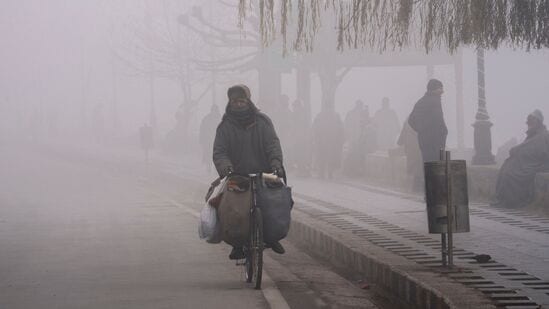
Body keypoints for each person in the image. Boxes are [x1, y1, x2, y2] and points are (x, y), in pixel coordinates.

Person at [213, 84, 286, 259]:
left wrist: (276, 163)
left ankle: (272, 237)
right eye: (234, 101)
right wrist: (226, 168)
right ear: (229, 103)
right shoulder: (225, 126)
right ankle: (237, 245)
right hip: (237, 176)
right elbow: (220, 152)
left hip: (264, 174)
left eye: (241, 100)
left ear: (248, 101)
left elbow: (273, 145)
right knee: (231, 209)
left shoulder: (263, 122)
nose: (238, 104)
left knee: (277, 204)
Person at [492, 110, 549, 208]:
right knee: (506, 169)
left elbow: (540, 151)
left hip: (533, 163)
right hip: (524, 161)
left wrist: (520, 151)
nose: (529, 124)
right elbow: (525, 146)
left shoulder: (544, 135)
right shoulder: (532, 135)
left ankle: (512, 201)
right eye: (529, 122)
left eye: (532, 121)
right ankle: (504, 199)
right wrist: (517, 150)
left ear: (538, 122)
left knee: (512, 174)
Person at [408, 79, 448, 162]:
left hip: (424, 140)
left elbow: (411, 120)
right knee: (437, 167)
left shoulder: (420, 102)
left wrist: (421, 130)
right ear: (434, 89)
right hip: (435, 141)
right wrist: (443, 131)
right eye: (440, 88)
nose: (442, 91)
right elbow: (438, 121)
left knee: (428, 166)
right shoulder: (435, 101)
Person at [312, 105, 344, 179]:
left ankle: (322, 173)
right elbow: (340, 128)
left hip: (323, 140)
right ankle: (329, 173)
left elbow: (315, 127)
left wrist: (315, 137)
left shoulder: (320, 115)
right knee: (329, 158)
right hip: (330, 141)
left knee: (322, 158)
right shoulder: (336, 116)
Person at [199, 104, 221, 172]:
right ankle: (210, 167)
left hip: (215, 140)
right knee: (210, 154)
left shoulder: (218, 118)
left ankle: (213, 167)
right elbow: (203, 129)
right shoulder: (218, 118)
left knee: (213, 154)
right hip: (210, 140)